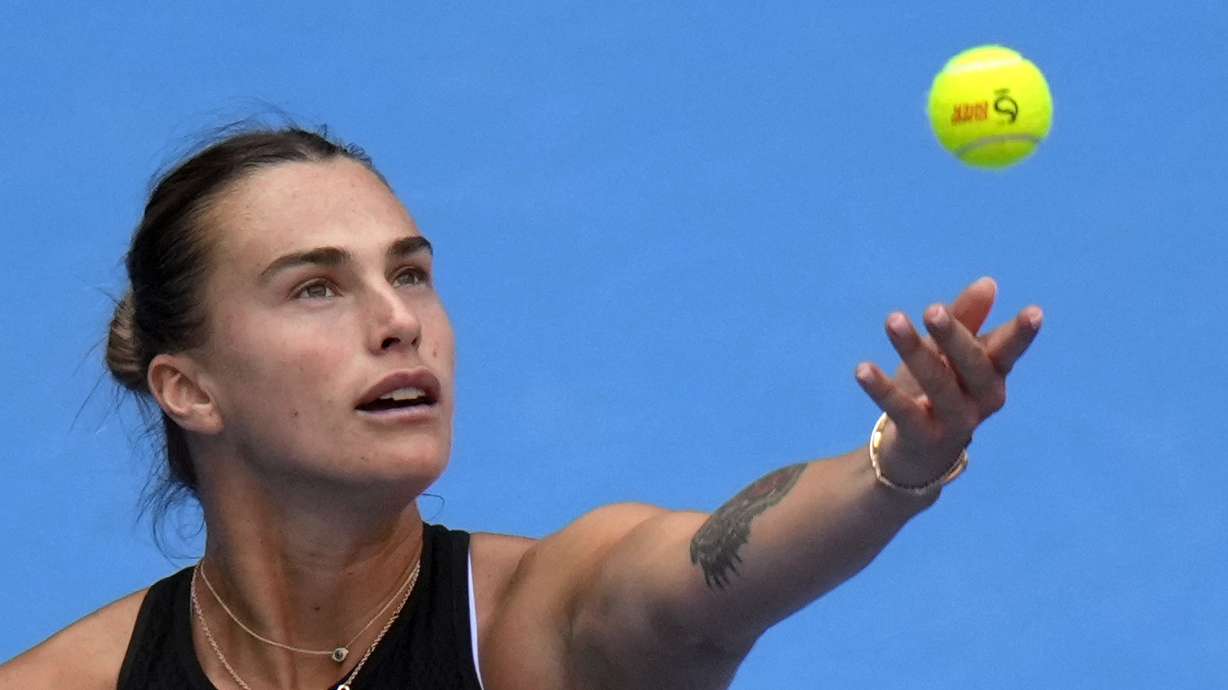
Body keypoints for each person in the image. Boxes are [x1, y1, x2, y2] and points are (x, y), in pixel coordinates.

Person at [0, 126, 1042, 690]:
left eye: (409, 275)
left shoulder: (542, 627)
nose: (397, 322)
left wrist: (894, 469)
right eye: (316, 287)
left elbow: (709, 576)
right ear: (189, 387)